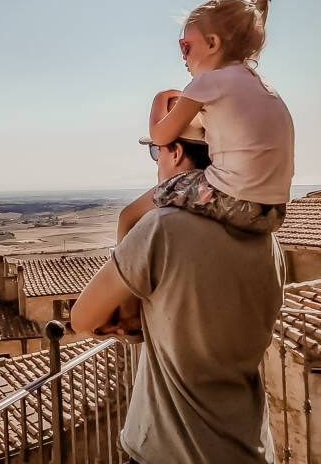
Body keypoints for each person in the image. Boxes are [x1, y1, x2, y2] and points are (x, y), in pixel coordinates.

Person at [71, 114, 285, 463]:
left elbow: (82, 318)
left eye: (156, 151)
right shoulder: (266, 240)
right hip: (250, 447)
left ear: (174, 151)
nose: (157, 162)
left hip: (171, 451)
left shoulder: (162, 228)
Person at [123, 0, 294, 236]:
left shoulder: (206, 83)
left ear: (213, 43)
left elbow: (161, 136)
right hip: (274, 211)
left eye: (186, 46)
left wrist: (160, 99)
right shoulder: (262, 86)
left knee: (146, 203)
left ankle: (124, 259)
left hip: (233, 199)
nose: (183, 57)